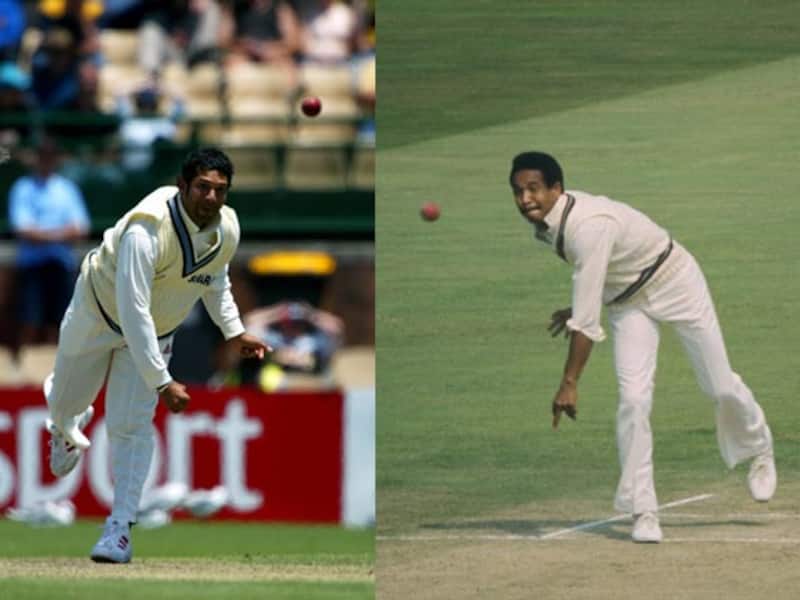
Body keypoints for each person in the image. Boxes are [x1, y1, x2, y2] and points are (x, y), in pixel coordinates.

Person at [509, 151, 776, 544]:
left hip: (675, 280)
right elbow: (599, 274)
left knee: (718, 385)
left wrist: (569, 382)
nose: (525, 199)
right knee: (633, 399)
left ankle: (760, 448)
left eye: (534, 189)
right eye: (518, 192)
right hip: (626, 303)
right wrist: (586, 301)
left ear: (557, 189)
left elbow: (585, 324)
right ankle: (643, 510)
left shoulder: (588, 226)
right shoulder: (550, 223)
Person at [44, 147, 268, 563]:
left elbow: (214, 279)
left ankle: (118, 531)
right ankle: (66, 425)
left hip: (156, 331)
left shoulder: (227, 228)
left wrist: (234, 332)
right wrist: (162, 381)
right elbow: (133, 310)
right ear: (182, 186)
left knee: (132, 426)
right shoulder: (146, 230)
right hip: (96, 313)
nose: (212, 198)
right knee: (64, 405)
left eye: (221, 190)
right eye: (202, 187)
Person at [8, 137, 90, 356]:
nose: (46, 160)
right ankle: (25, 378)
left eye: (50, 156)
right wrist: (61, 234)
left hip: (61, 266)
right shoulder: (22, 188)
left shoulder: (67, 189)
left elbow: (81, 228)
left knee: (61, 323)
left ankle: (56, 371)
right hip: (32, 267)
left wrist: (43, 234)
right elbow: (22, 229)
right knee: (29, 322)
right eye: (43, 156)